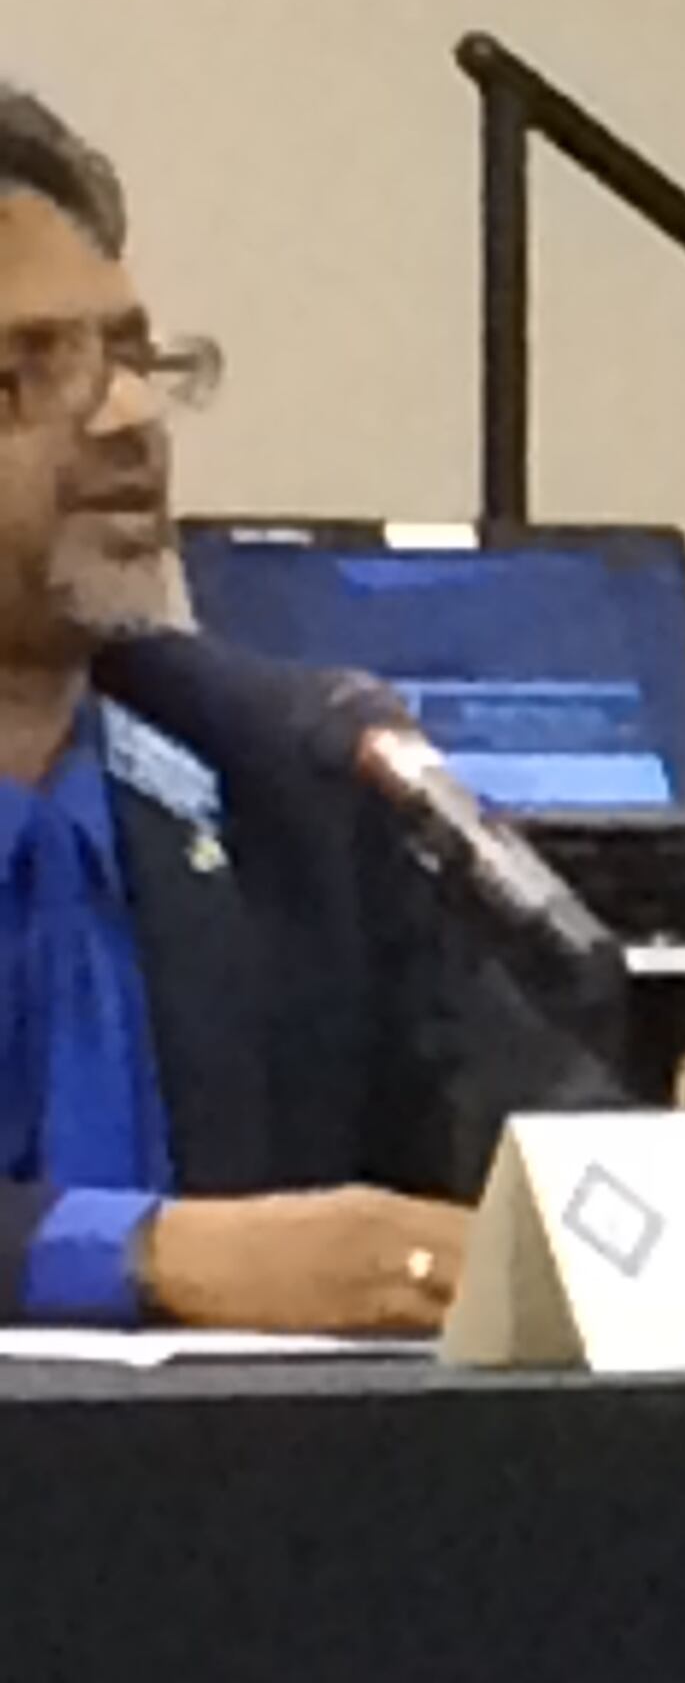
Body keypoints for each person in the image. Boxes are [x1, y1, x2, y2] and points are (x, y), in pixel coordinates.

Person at [0, 85, 628, 1329]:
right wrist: (142, 1255)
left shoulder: (278, 774)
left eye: (133, 357)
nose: (124, 417)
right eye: (29, 369)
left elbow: (548, 1152)